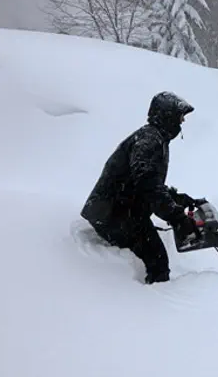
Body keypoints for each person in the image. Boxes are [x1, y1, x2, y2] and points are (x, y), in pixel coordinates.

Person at [80, 91, 206, 284]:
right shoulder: (149, 141)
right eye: (180, 115)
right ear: (167, 115)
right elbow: (148, 187)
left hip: (123, 209)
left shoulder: (154, 138)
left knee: (155, 254)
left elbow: (151, 184)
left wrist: (179, 199)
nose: (182, 121)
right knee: (157, 261)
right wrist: (177, 218)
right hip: (112, 214)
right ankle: (148, 304)